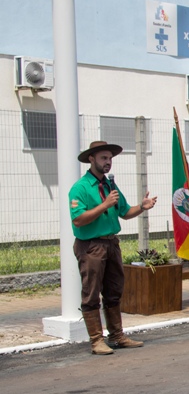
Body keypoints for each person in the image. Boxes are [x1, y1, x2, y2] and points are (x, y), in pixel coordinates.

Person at [69, 141, 157, 355]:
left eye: (110, 158)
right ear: (91, 159)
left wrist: (142, 207)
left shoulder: (110, 186)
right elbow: (78, 220)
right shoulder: (80, 188)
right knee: (91, 292)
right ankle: (96, 340)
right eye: (104, 158)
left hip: (111, 243)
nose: (108, 162)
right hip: (91, 246)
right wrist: (104, 205)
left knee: (114, 290)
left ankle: (116, 336)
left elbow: (124, 212)